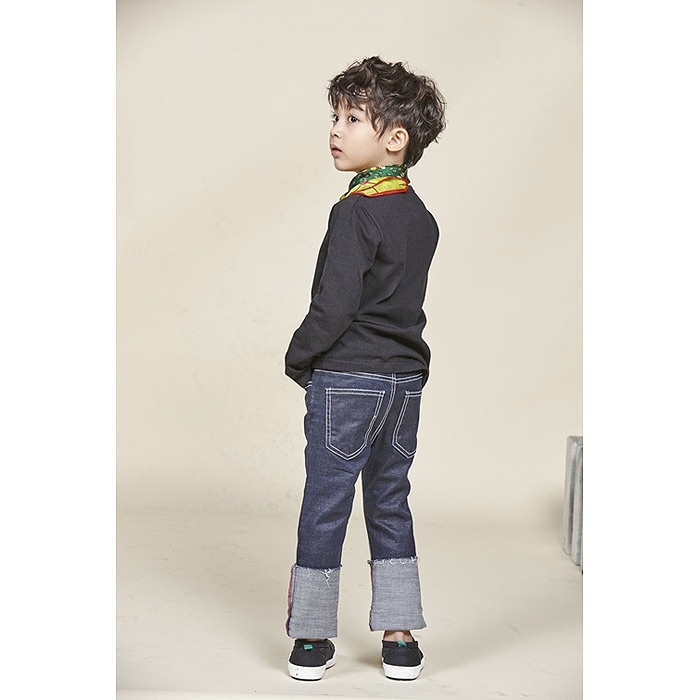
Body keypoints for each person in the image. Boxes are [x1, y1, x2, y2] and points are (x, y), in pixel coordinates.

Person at [283, 56, 446, 682]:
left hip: (349, 378)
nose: (336, 129)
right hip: (404, 382)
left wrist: (301, 356)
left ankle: (311, 638)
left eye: (353, 118)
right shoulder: (421, 218)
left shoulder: (354, 211)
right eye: (336, 117)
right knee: (390, 502)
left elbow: (335, 306)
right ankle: (400, 639)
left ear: (395, 138)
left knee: (326, 504)